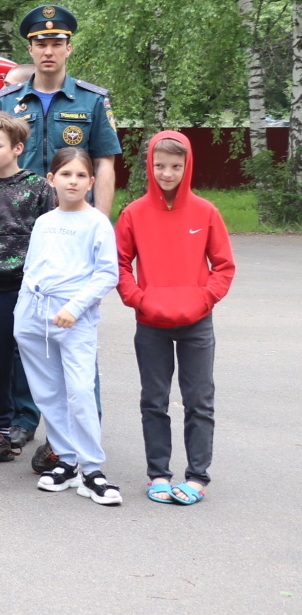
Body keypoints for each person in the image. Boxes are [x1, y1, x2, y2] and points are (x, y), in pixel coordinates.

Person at [116, 130, 233, 505]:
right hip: (151, 323)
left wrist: (204, 300)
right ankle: (158, 475)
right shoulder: (134, 212)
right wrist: (138, 299)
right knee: (154, 399)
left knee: (199, 399)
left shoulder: (205, 211)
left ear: (187, 167)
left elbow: (224, 266)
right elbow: (119, 264)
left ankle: (197, 477)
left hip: (197, 323)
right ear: (149, 165)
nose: (167, 173)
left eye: (175, 167)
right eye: (160, 165)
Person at [18, 147, 122, 504]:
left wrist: (75, 307)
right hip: (34, 313)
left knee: (79, 391)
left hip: (73, 317)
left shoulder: (97, 223)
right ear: (51, 180)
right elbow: (32, 266)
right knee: (47, 391)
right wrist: (23, 312)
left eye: (81, 175)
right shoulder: (44, 222)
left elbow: (107, 273)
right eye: (66, 174)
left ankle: (92, 469)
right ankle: (66, 459)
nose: (73, 181)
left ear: (91, 182)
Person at [0, 110, 57, 461]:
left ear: (18, 148)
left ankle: (40, 427)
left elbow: (49, 236)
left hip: (30, 287)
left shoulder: (37, 187)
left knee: (36, 360)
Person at [0, 5, 121, 212]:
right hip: (20, 215)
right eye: (41, 44)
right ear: (31, 50)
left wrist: (101, 222)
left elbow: (104, 162)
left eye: (57, 44)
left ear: (68, 49)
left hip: (74, 211)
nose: (48, 52)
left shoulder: (92, 100)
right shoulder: (8, 101)